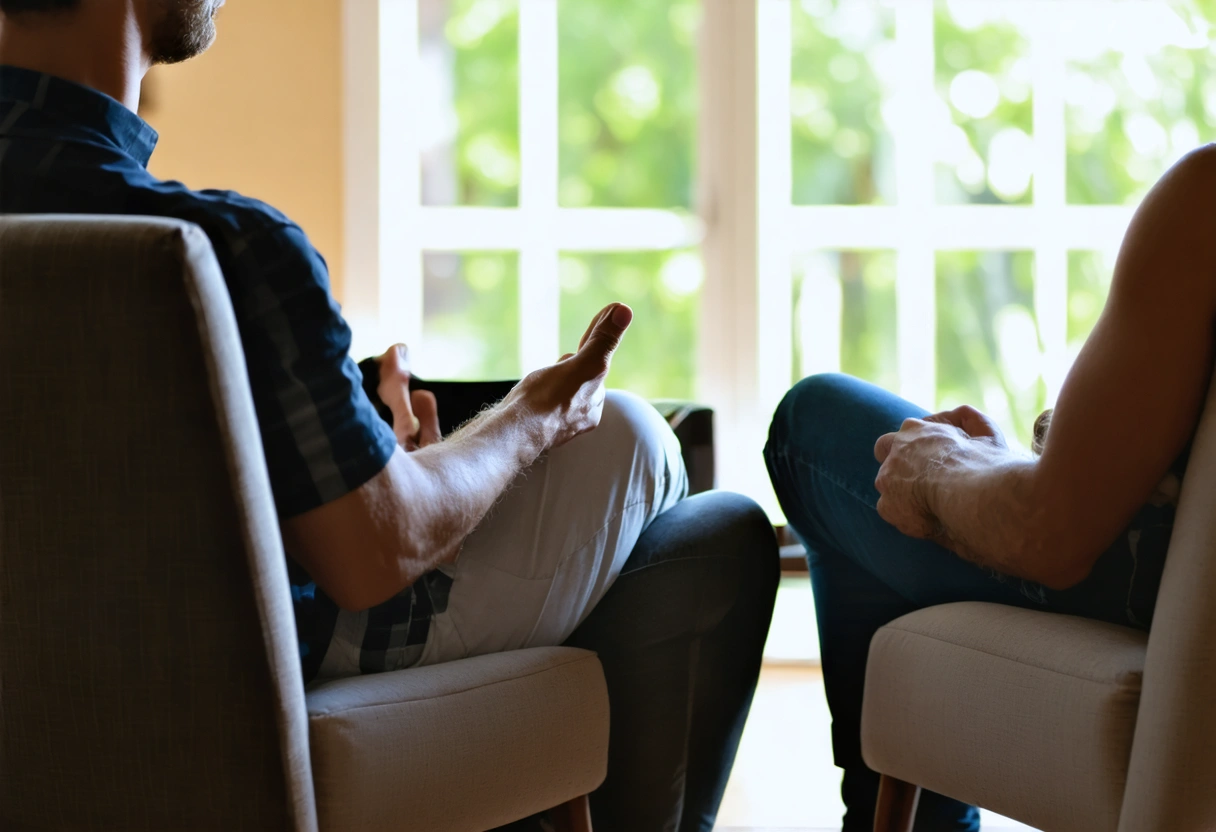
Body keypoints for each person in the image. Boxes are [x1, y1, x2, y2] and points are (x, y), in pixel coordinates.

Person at [0, 2, 780, 829]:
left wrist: (365, 453)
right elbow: (376, 551)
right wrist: (531, 418)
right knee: (644, 450)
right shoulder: (232, 248)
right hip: (236, 676)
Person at [766, 142, 1216, 831]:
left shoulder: (1205, 194)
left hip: (1152, 576)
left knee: (815, 424)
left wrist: (943, 469)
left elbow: (1051, 531)